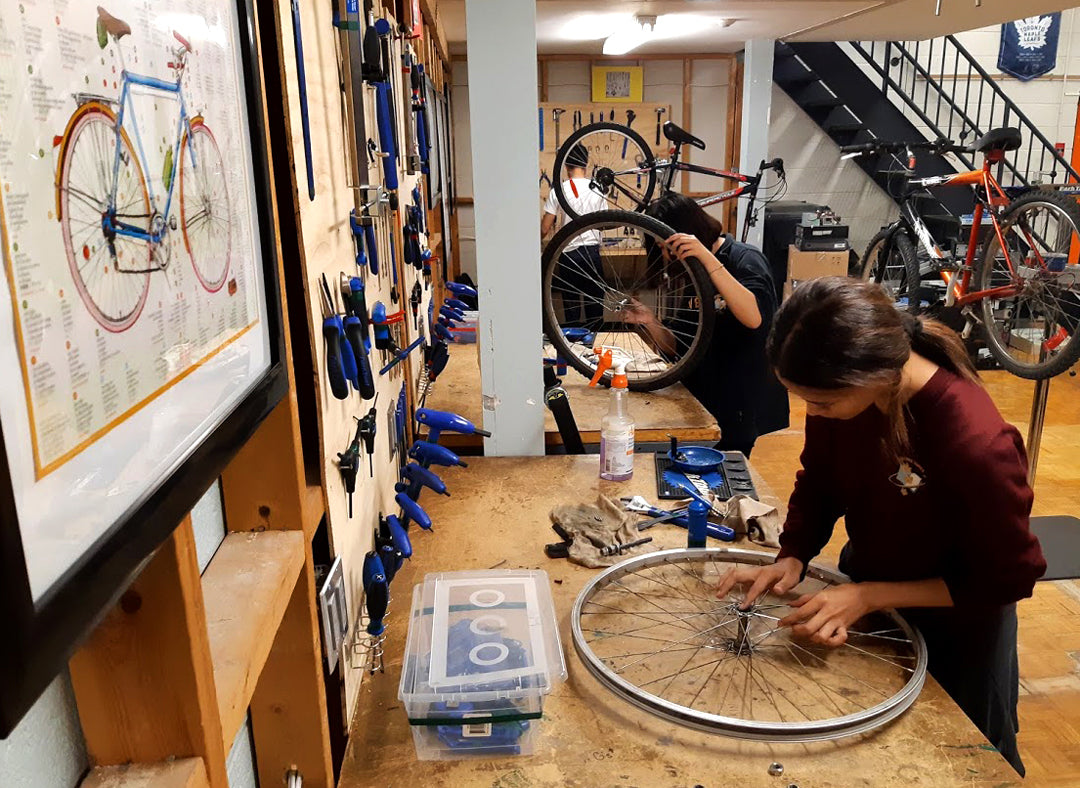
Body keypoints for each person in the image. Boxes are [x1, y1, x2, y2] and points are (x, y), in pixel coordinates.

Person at [715, 276, 1046, 776]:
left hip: (961, 627)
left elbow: (1007, 579)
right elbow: (821, 477)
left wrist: (869, 596)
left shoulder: (974, 441)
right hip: (876, 596)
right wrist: (793, 554)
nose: (814, 412)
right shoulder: (845, 394)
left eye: (821, 403)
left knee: (966, 761)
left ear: (867, 374)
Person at [628, 192, 787, 456]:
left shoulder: (744, 258)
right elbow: (680, 345)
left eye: (665, 244)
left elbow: (754, 317)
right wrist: (650, 322)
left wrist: (706, 258)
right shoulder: (689, 269)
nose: (664, 253)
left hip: (738, 399)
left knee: (725, 472)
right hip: (700, 401)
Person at [541, 143, 608, 326]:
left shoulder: (558, 191)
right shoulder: (598, 188)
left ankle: (572, 351)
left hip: (568, 255)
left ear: (565, 165)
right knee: (595, 311)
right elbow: (604, 224)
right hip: (592, 254)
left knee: (571, 312)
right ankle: (594, 349)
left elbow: (545, 228)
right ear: (586, 164)